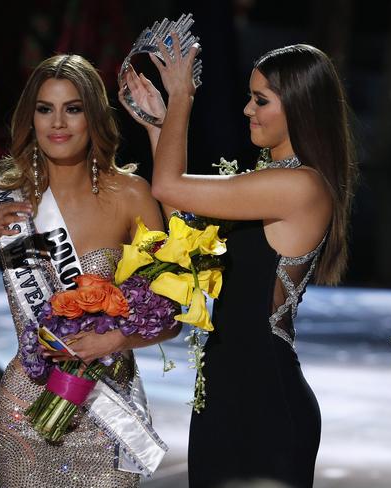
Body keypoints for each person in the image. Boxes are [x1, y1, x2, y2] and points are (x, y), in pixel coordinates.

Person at [121, 38, 357, 487]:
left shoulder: (300, 186)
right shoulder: (269, 181)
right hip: (225, 389)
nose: (248, 109)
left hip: (264, 397)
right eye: (251, 97)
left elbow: (168, 187)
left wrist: (181, 101)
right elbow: (186, 234)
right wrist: (159, 128)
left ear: (301, 107)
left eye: (261, 100)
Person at [0, 54, 179, 487]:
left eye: (72, 108)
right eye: (45, 109)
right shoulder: (0, 200)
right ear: (31, 118)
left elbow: (169, 313)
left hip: (106, 408)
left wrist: (115, 338)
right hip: (25, 412)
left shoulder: (132, 196)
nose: (58, 123)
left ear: (92, 115)